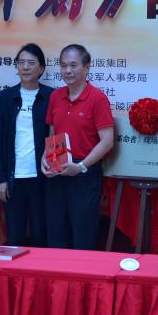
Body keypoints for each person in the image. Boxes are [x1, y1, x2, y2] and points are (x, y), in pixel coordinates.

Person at [40, 44, 114, 250]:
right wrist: (45, 158)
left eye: (73, 65)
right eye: (63, 65)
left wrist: (81, 166)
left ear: (86, 67)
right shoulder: (56, 96)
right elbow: (52, 132)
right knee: (56, 235)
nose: (67, 71)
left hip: (84, 174)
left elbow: (107, 141)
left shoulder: (97, 98)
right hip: (57, 174)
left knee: (83, 237)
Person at [0, 43, 54, 246]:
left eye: (31, 63)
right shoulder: (4, 98)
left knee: (40, 233)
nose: (25, 67)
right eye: (21, 62)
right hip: (12, 179)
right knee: (14, 234)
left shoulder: (52, 97)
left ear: (41, 68)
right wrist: (0, 179)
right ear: (16, 67)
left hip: (42, 178)